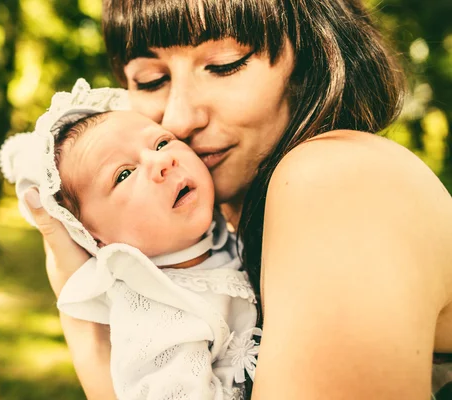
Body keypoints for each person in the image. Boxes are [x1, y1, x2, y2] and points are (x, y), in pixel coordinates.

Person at [23, 0, 452, 399]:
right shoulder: (235, 236)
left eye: (225, 65)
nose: (178, 119)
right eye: (151, 80)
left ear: (310, 55)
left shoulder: (336, 178)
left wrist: (85, 329)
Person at [0, 79, 261, 399]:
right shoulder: (156, 313)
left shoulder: (230, 233)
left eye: (162, 143)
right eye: (124, 174)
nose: (161, 161)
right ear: (97, 240)